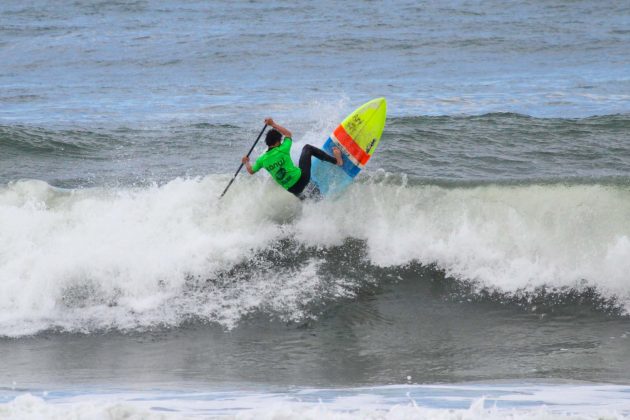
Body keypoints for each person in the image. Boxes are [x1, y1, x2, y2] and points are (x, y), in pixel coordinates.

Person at [242, 118, 343, 199]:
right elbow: (288, 134)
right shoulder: (282, 149)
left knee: (313, 199)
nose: (281, 142)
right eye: (280, 141)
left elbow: (251, 171)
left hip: (293, 190)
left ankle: (318, 204)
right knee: (307, 148)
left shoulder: (261, 160)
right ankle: (337, 161)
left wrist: (246, 162)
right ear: (277, 142)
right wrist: (273, 124)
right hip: (302, 179)